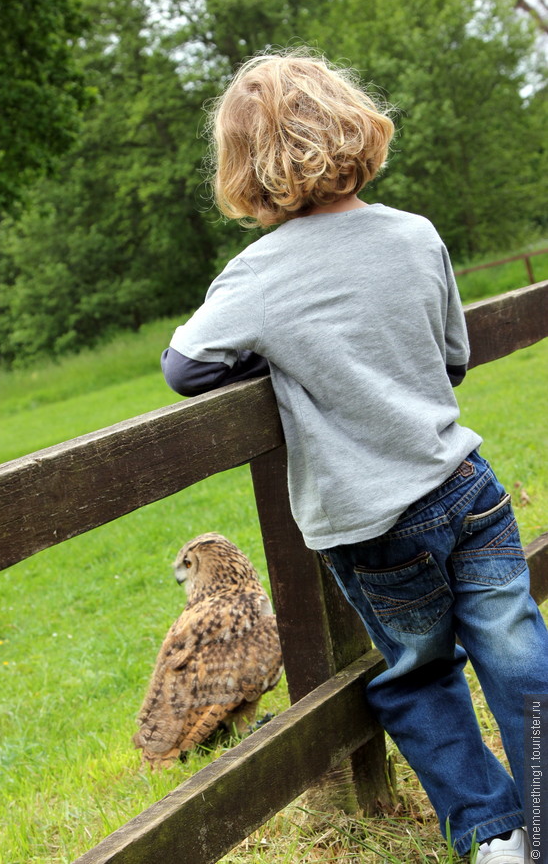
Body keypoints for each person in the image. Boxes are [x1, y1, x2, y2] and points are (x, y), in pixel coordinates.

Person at [161, 50, 548, 862]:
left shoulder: (258, 275)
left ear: (243, 169)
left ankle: (494, 833)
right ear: (352, 127)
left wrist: (285, 357)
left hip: (373, 525)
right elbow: (451, 358)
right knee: (519, 657)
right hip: (465, 487)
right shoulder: (414, 234)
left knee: (419, 674)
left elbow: (187, 367)